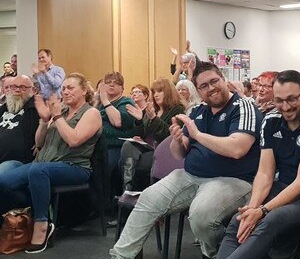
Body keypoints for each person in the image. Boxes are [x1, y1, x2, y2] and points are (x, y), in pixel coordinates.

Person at [110, 62, 262, 259]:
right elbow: (179, 153)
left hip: (233, 179)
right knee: (148, 199)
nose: (211, 88)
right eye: (204, 86)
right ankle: (120, 256)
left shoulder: (243, 107)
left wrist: (197, 135)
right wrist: (178, 139)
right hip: (190, 175)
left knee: (201, 217)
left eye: (214, 81)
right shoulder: (199, 111)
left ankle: (224, 250)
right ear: (198, 91)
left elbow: (237, 149)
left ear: (223, 80)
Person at [217, 70, 300, 259]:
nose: (285, 107)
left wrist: (262, 210)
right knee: (240, 218)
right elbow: (265, 173)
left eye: (292, 99)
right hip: (284, 184)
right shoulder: (271, 120)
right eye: (279, 100)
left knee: (271, 219)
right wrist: (253, 207)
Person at [0, 73, 102, 253]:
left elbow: (74, 140)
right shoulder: (62, 110)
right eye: (64, 88)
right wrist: (44, 121)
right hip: (43, 163)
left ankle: (41, 224)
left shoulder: (91, 113)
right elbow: (39, 143)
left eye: (71, 88)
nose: (65, 92)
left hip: (73, 166)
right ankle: (39, 215)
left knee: (38, 171)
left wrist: (57, 117)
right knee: (3, 183)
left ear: (84, 90)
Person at [121, 78, 185, 191]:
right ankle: (127, 188)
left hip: (165, 150)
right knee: (128, 145)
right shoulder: (152, 109)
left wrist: (154, 118)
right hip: (147, 147)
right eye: (154, 92)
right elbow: (142, 134)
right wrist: (139, 121)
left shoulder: (177, 109)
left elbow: (169, 135)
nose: (156, 95)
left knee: (133, 162)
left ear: (168, 92)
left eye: (159, 91)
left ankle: (132, 190)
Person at [0, 75, 39, 190]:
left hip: (17, 161)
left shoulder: (35, 110)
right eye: (14, 87)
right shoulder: (0, 111)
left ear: (33, 90)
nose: (17, 90)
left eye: (23, 88)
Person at [97, 72, 136, 194]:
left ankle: (108, 207)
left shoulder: (126, 102)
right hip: (97, 146)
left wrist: (105, 100)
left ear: (122, 88)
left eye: (116, 83)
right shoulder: (99, 104)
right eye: (108, 82)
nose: (112, 85)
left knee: (105, 168)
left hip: (116, 147)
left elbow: (117, 122)